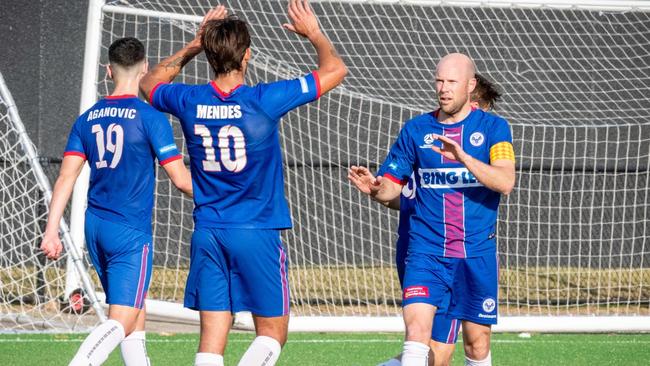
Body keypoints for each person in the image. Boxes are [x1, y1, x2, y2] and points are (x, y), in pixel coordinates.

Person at [139, 1, 346, 365]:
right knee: (272, 335)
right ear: (247, 55)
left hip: (208, 231)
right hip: (256, 231)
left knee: (211, 341)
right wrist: (313, 32)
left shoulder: (189, 100)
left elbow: (149, 83)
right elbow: (335, 69)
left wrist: (193, 44)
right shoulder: (264, 100)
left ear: (209, 53)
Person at [352, 53, 515, 366]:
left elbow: (505, 181)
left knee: (476, 346)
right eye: (439, 81)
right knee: (417, 334)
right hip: (426, 252)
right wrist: (376, 188)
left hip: (475, 253)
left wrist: (463, 157)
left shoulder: (495, 129)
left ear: (470, 85)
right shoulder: (416, 130)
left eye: (451, 81)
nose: (443, 88)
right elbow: (392, 186)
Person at [40, 37, 192, 366]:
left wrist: (51, 230)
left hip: (96, 229)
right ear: (145, 68)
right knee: (121, 321)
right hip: (129, 234)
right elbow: (181, 180)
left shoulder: (88, 118)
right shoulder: (150, 118)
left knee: (134, 318)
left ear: (109, 71)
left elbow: (66, 177)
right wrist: (226, 192)